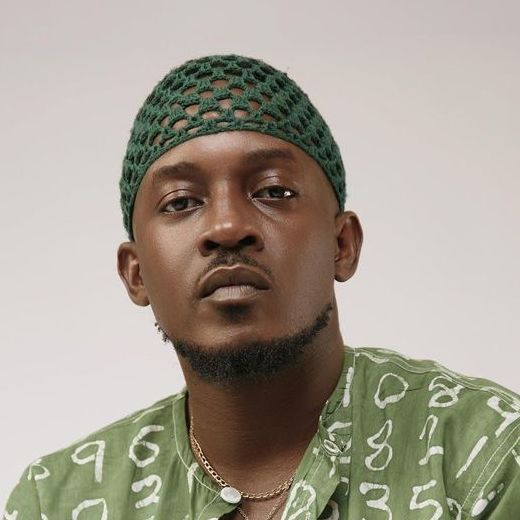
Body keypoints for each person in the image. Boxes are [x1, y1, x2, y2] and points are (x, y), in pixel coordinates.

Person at [3, 53, 519, 520]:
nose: (227, 227)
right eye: (181, 202)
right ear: (135, 274)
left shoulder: (487, 458)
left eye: (273, 191)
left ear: (342, 245)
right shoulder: (57, 503)